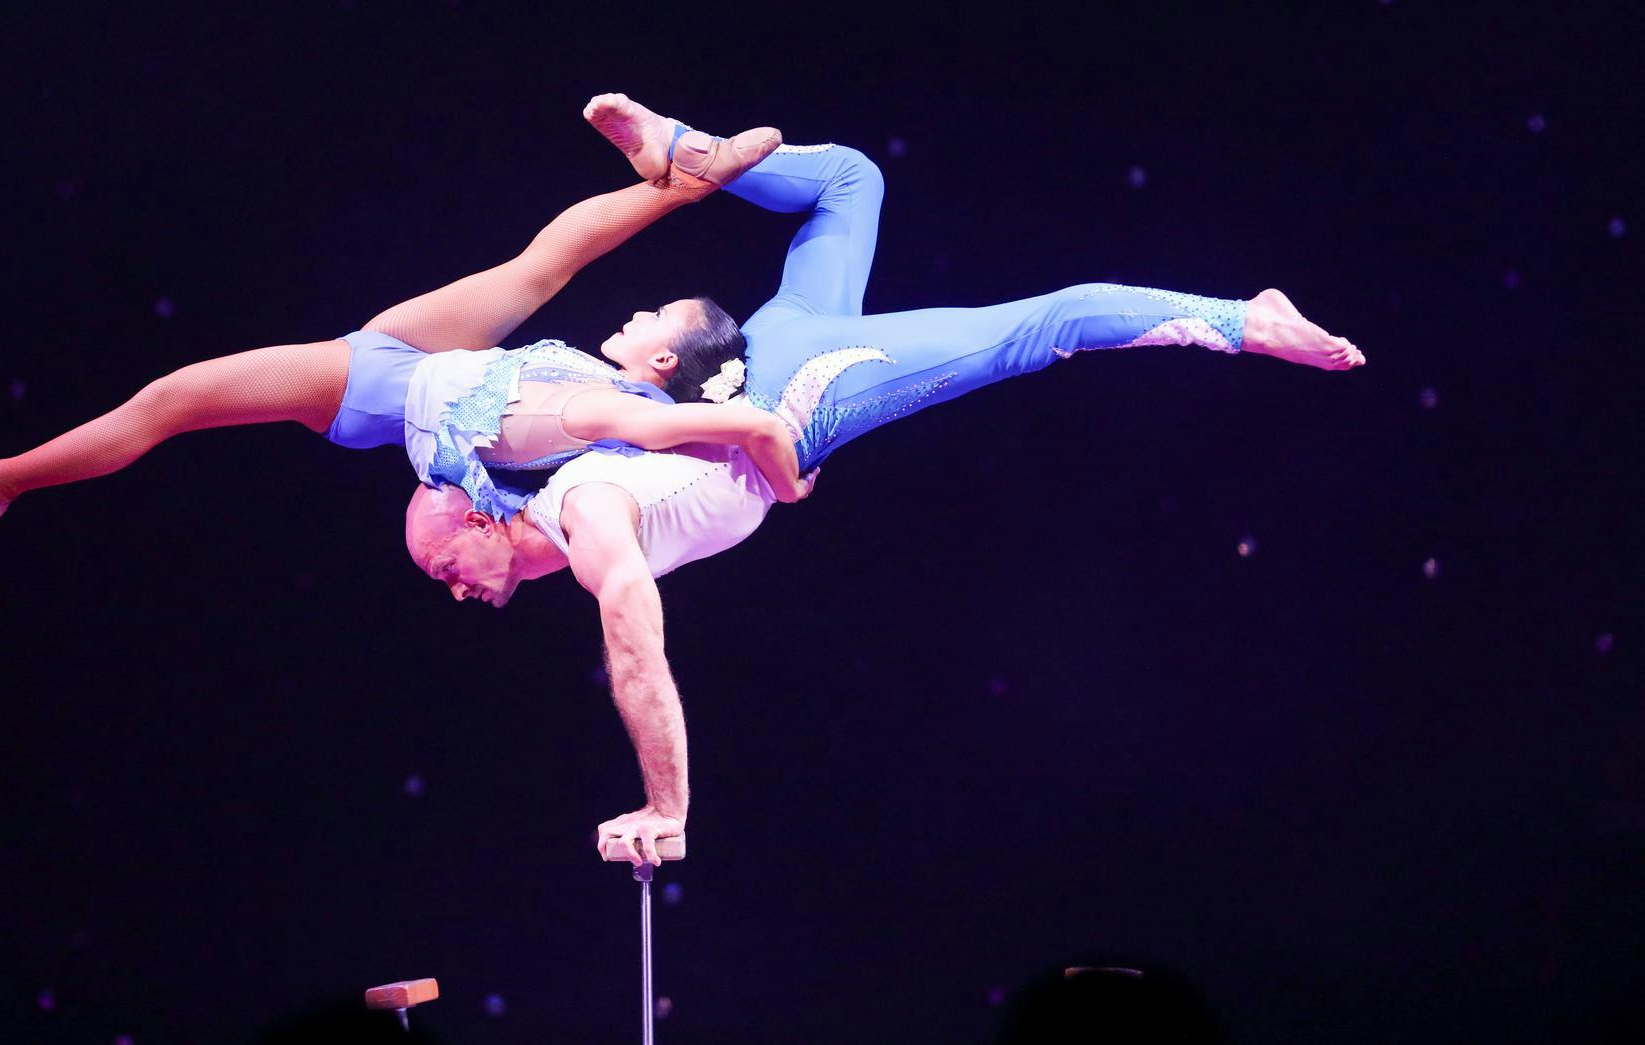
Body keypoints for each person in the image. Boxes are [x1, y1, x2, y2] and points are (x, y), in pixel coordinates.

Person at [403, 93, 1366, 863]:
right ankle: (685, 146)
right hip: (771, 349)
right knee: (850, 182)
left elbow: (639, 655)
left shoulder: (585, 511)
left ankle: (1247, 319)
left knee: (1049, 323)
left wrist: (668, 805)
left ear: (487, 519)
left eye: (444, 562)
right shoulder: (584, 477)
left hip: (796, 390)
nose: (451, 586)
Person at [0, 101, 803, 532]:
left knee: (167, 402)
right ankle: (686, 180)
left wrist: (781, 461)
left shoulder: (627, 413)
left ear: (661, 364)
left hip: (383, 394)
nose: (641, 309)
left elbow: (712, 429)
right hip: (413, 358)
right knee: (541, 264)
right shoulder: (610, 386)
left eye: (658, 316)